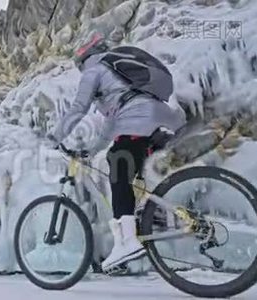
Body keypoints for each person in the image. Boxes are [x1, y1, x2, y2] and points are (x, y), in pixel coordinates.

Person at [48, 33, 186, 272]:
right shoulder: (119, 81)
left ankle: (128, 241)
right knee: (136, 170)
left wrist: (54, 137)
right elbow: (111, 125)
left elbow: (79, 108)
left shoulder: (95, 70)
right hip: (158, 119)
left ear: (83, 61)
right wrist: (90, 151)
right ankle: (155, 215)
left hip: (138, 119)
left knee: (118, 162)